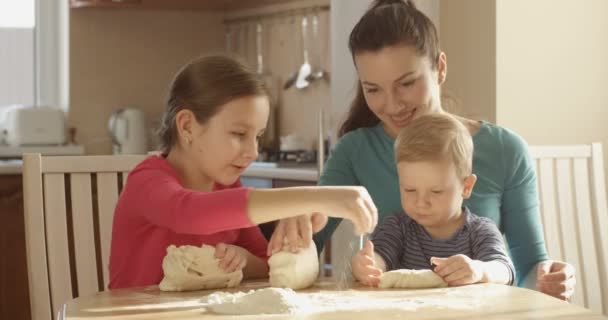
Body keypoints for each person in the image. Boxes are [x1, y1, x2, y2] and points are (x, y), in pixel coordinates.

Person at [269, 0, 575, 300]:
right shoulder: (355, 150)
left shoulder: (505, 150)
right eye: (372, 89)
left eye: (406, 83)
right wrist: (298, 226)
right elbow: (310, 242)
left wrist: (550, 280)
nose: (391, 105)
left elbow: (529, 269)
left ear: (440, 68)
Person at [108, 55, 377, 289]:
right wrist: (317, 198)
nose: (253, 151)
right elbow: (191, 213)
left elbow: (267, 263)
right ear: (187, 126)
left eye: (258, 136)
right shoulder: (147, 182)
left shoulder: (227, 186)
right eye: (239, 134)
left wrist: (244, 261)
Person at [352, 113, 514, 287]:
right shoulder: (398, 227)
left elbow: (504, 270)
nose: (421, 202)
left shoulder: (479, 231)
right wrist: (366, 265)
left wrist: (479, 270)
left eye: (436, 191)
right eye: (410, 190)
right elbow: (380, 258)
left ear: (466, 187)